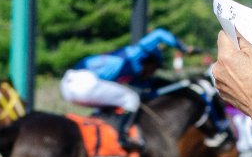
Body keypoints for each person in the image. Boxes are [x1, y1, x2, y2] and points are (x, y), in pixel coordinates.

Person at [61, 28, 203, 149]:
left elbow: (149, 88)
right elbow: (159, 34)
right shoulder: (136, 53)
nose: (153, 73)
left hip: (68, 84)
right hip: (84, 82)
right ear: (150, 62)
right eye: (155, 68)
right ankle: (123, 137)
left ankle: (99, 133)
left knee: (113, 103)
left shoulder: (133, 71)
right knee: (131, 98)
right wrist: (185, 48)